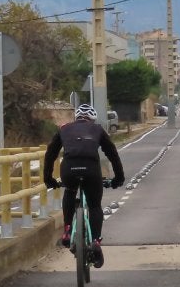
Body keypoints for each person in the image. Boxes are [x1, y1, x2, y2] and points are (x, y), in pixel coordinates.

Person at [43, 103, 125, 267]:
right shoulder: (98, 129)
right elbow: (112, 153)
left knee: (70, 191)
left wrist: (48, 179)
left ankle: (67, 231)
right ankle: (95, 240)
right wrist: (118, 178)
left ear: (76, 118)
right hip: (91, 170)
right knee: (94, 205)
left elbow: (50, 153)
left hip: (69, 169)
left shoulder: (64, 128)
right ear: (92, 119)